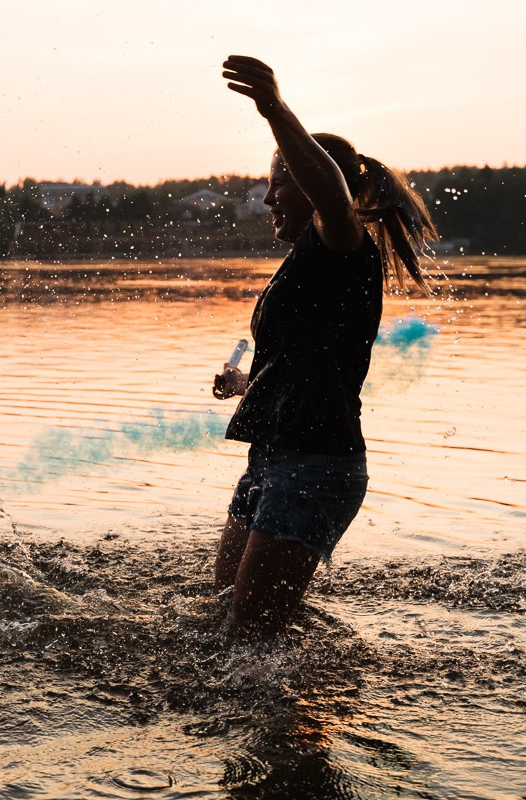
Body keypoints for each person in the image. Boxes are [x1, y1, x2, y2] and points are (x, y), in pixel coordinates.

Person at [211, 56, 438, 637]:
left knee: (250, 636)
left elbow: (333, 198)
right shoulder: (306, 266)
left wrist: (273, 109)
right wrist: (245, 383)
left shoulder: (344, 244)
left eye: (281, 182)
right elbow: (307, 369)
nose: (268, 199)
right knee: (223, 614)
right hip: (269, 458)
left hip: (315, 467)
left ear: (317, 184)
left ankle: (311, 692)